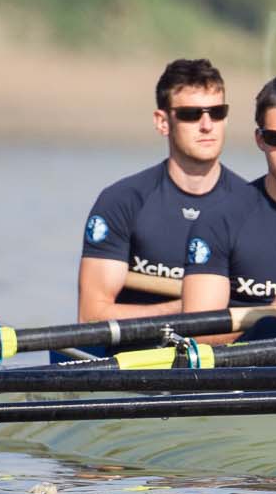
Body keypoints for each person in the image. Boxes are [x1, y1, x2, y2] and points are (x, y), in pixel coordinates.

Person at [77, 58, 253, 325]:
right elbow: (91, 316)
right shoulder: (123, 202)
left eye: (217, 112)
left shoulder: (252, 205)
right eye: (191, 114)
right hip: (139, 353)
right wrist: (189, 309)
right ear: (162, 122)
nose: (207, 125)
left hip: (221, 352)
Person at [182, 74, 276, 317]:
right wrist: (270, 316)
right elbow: (197, 331)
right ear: (260, 139)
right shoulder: (219, 220)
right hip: (243, 351)